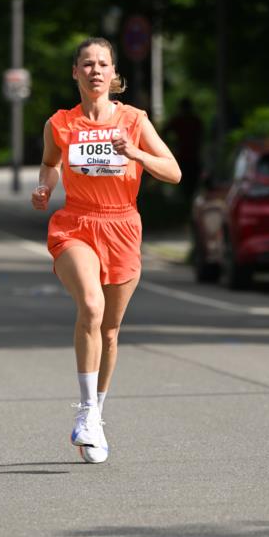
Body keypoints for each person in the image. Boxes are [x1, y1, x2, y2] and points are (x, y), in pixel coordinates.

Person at [32, 37, 181, 463]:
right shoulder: (59, 123)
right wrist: (45, 187)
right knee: (92, 309)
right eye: (87, 64)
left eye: (103, 64)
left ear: (114, 74)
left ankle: (96, 414)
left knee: (111, 331)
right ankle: (84, 412)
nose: (96, 71)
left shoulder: (134, 120)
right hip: (76, 224)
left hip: (123, 225)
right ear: (75, 73)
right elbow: (50, 162)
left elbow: (173, 171)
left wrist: (135, 151)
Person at [165, 98, 203, 197]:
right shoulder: (195, 120)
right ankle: (188, 199)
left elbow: (164, 132)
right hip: (191, 154)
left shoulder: (178, 120)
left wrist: (169, 145)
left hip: (183, 154)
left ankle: (185, 199)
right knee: (191, 181)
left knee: (183, 179)